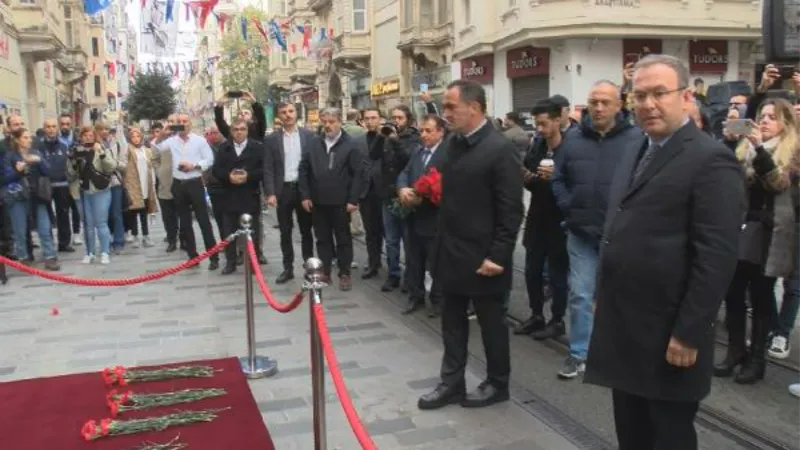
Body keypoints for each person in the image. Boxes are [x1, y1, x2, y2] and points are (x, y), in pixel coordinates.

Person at [584, 54, 743, 450]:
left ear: (686, 97)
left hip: (670, 333)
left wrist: (689, 333)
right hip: (626, 327)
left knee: (668, 436)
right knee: (632, 433)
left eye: (659, 93)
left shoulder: (711, 159)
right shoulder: (638, 148)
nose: (648, 104)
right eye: (639, 96)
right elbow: (617, 226)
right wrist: (604, 293)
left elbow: (716, 257)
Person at [418, 80, 523, 410]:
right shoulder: (453, 144)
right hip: (450, 252)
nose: (445, 113)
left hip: (484, 258)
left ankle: (497, 383)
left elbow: (511, 210)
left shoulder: (499, 149)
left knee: (492, 325)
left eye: (450, 107)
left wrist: (499, 255)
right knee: (451, 323)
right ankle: (451, 382)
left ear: (474, 108)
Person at [298, 107, 364, 291]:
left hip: (341, 203)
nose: (327, 125)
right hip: (318, 201)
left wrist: (353, 199)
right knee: (322, 238)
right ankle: (325, 271)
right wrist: (305, 195)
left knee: (343, 238)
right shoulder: (313, 143)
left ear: (339, 122)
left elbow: (358, 174)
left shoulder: (350, 144)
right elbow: (303, 170)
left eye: (331, 122)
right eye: (324, 122)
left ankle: (344, 273)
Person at [396, 114, 448, 317]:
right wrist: (402, 189)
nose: (423, 135)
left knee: (435, 261)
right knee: (413, 259)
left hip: (434, 218)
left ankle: (437, 299)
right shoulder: (418, 151)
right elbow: (404, 172)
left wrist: (425, 195)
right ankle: (415, 296)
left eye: (428, 131)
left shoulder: (447, 154)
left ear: (440, 132)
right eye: (422, 131)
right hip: (413, 216)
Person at [153, 113, 219, 270]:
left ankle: (213, 256)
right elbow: (156, 146)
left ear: (190, 123)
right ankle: (192, 256)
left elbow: (209, 160)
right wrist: (164, 131)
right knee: (185, 222)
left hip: (194, 182)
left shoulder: (199, 141)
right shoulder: (171, 141)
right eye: (179, 122)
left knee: (204, 221)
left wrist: (194, 166)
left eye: (185, 121)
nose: (182, 124)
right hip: (178, 184)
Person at [263, 102, 315, 283]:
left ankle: (309, 267)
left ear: (296, 113)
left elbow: (313, 165)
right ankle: (288, 268)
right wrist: (270, 192)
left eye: (291, 111)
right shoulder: (271, 139)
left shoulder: (309, 136)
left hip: (304, 190)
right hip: (283, 190)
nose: (288, 115)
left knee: (306, 231)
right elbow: (268, 167)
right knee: (285, 231)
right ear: (279, 116)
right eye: (284, 112)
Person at [211, 118, 265, 274]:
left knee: (252, 232)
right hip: (229, 196)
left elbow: (263, 170)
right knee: (229, 232)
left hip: (250, 195)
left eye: (242, 129)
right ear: (231, 131)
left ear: (247, 131)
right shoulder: (224, 148)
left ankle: (253, 263)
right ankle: (231, 262)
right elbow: (216, 170)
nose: (239, 132)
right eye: (236, 129)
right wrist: (229, 177)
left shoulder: (257, 148)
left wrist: (248, 176)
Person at [67, 126, 118, 264]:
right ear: (81, 137)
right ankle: (89, 252)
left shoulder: (101, 149)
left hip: (100, 190)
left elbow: (112, 166)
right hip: (84, 191)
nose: (88, 137)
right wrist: (74, 162)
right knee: (88, 224)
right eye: (85, 135)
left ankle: (104, 252)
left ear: (95, 136)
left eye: (90, 135)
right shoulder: (77, 151)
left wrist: (101, 152)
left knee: (101, 223)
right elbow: (71, 174)